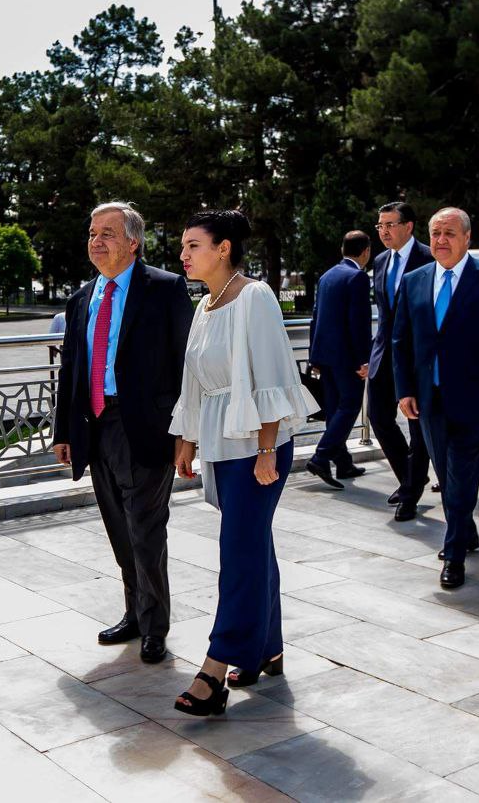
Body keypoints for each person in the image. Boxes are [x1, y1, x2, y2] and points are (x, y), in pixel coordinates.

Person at [170, 209, 319, 716]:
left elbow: (273, 374)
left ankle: (216, 668)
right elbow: (195, 379)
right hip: (219, 439)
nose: (184, 254)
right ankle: (267, 647)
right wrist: (188, 439)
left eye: (193, 245)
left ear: (224, 247)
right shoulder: (205, 304)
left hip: (257, 445)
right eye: (184, 245)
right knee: (253, 546)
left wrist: (265, 449)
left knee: (238, 554)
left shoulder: (255, 296)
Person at [52, 201, 192, 664]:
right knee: (118, 527)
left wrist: (185, 432)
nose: (97, 241)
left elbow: (184, 364)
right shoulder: (81, 298)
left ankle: (154, 626)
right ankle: (134, 613)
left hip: (146, 429)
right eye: (92, 233)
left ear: (133, 241)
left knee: (146, 529)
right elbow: (70, 368)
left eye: (107, 233)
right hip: (95, 425)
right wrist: (63, 430)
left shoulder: (165, 290)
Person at [393, 208, 479, 589]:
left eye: (449, 233)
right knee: (447, 476)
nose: (441, 241)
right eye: (435, 234)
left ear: (467, 238)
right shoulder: (414, 281)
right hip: (428, 400)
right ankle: (467, 529)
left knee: (463, 474)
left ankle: (454, 554)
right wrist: (405, 391)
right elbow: (401, 341)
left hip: (474, 400)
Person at [367, 202, 434, 520]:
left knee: (419, 427)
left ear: (408, 226)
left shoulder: (429, 258)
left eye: (390, 225)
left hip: (418, 357)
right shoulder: (380, 261)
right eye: (380, 226)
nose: (384, 232)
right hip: (384, 355)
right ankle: (412, 478)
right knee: (379, 418)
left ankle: (410, 494)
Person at [306, 230, 373, 488]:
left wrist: (315, 356)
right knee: (349, 407)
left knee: (335, 410)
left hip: (325, 356)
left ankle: (343, 462)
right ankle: (321, 457)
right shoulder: (357, 277)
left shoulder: (327, 276)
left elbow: (315, 317)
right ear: (366, 251)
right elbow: (359, 323)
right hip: (347, 358)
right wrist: (364, 359)